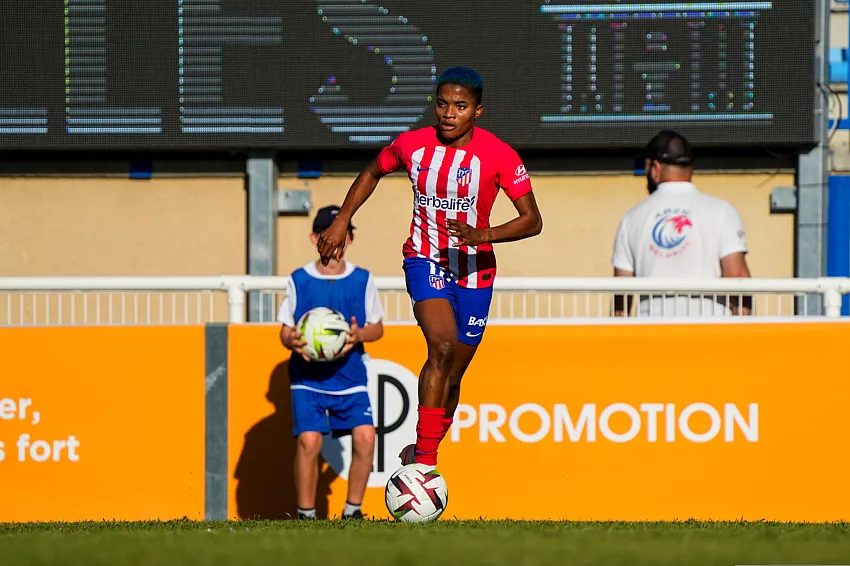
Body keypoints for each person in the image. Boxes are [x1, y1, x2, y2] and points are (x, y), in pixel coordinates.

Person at [315, 67, 543, 471]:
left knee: (453, 377)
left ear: (477, 111)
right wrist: (341, 218)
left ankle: (424, 449)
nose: (449, 114)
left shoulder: (499, 155)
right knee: (441, 347)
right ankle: (424, 462)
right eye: (442, 104)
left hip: (475, 271)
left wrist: (483, 234)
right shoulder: (412, 145)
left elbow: (533, 220)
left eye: (460, 106)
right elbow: (372, 171)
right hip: (425, 258)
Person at [277, 205, 385, 520]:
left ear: (350, 238)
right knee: (309, 441)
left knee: (366, 437)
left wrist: (359, 334)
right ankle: (306, 514)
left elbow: (377, 328)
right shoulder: (299, 279)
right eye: (329, 233)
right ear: (315, 238)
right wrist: (292, 340)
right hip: (307, 377)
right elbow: (285, 330)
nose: (337, 239)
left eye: (343, 232)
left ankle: (353, 512)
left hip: (349, 375)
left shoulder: (362, 279)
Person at [611, 130, 752, 317]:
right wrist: (745, 329)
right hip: (709, 329)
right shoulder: (722, 211)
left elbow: (621, 295)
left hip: (652, 330)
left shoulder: (632, 218)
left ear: (656, 168)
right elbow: (737, 277)